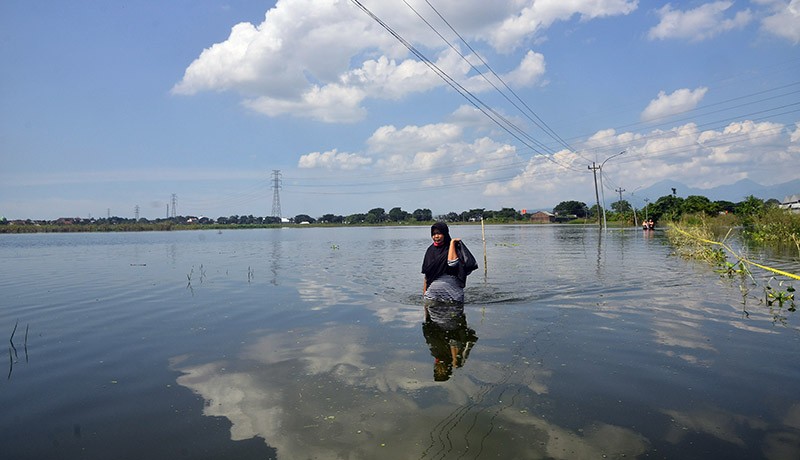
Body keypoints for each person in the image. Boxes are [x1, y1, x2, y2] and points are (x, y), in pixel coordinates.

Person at [421, 222, 478, 304]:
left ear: (445, 234)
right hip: (432, 295)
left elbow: (452, 263)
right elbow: (427, 275)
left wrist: (452, 243)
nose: (436, 236)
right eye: (433, 234)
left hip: (453, 294)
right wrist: (424, 295)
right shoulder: (430, 250)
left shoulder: (454, 247)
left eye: (439, 233)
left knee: (454, 315)